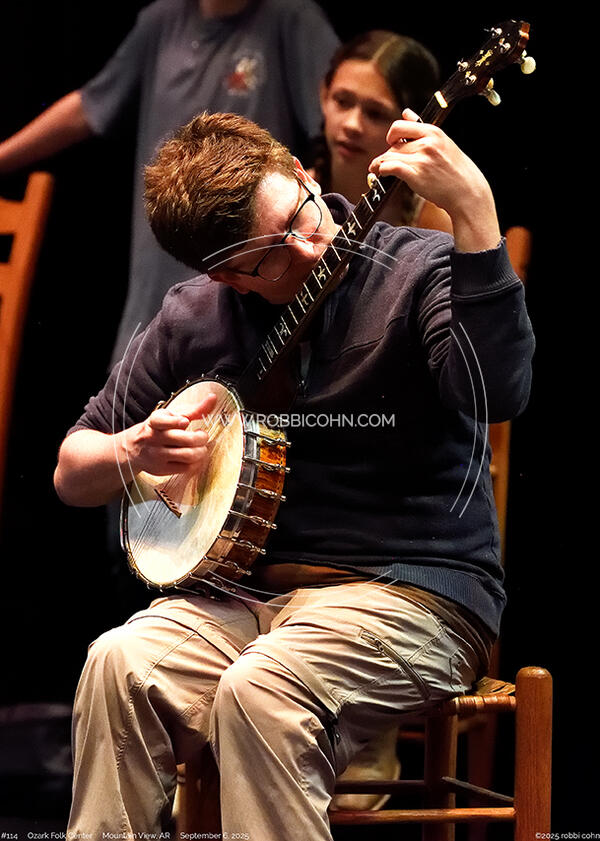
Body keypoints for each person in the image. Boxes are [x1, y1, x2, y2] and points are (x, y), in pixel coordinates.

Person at [54, 109, 535, 839]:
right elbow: (72, 469)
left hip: (413, 593)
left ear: (304, 174)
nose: (310, 246)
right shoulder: (194, 317)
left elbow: (499, 391)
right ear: (227, 275)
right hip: (248, 603)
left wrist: (475, 213)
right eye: (272, 254)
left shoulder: (416, 268)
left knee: (262, 690)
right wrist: (136, 448)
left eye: (301, 213)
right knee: (118, 663)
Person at [0, 0, 339, 365]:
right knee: (138, 386)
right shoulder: (161, 20)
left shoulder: (292, 19)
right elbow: (89, 105)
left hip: (248, 291)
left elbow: (337, 130)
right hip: (159, 274)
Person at [312, 30, 452, 232]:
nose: (352, 125)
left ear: (411, 123)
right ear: (324, 95)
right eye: (342, 101)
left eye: (375, 114)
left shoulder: (434, 220)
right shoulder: (294, 193)